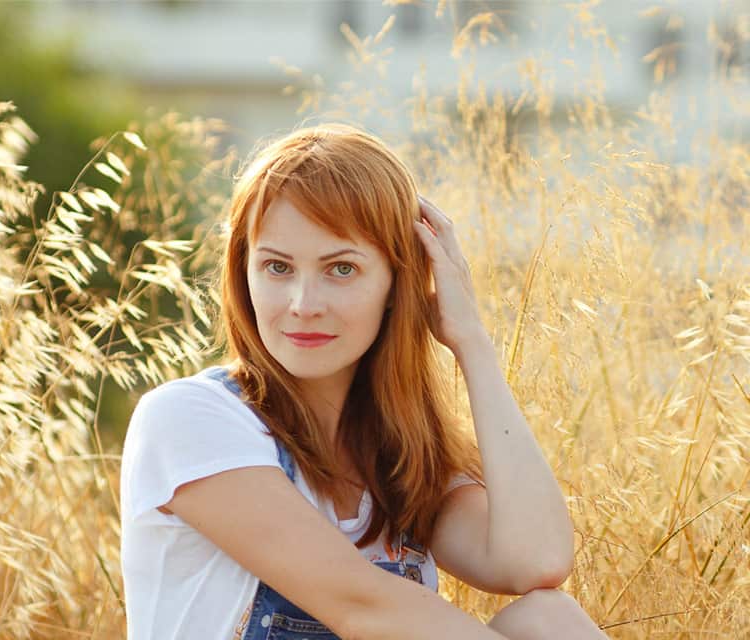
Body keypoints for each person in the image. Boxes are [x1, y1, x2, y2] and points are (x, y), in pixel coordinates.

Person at [119, 122, 608, 639]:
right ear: (245, 274)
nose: (304, 305)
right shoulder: (191, 419)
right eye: (278, 267)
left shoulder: (405, 456)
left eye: (342, 270)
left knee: (548, 619)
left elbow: (535, 561)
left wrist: (472, 343)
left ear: (398, 283)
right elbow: (361, 607)